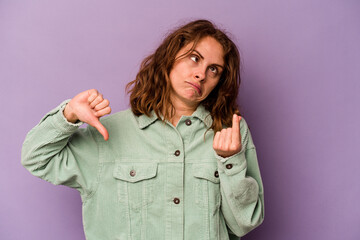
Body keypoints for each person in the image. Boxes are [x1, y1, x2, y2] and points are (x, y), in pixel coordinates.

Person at [21, 19, 264, 240]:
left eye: (214, 69)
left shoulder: (231, 133)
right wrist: (68, 114)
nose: (201, 74)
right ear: (169, 58)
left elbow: (245, 223)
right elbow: (36, 158)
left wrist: (230, 162)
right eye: (194, 58)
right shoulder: (109, 132)